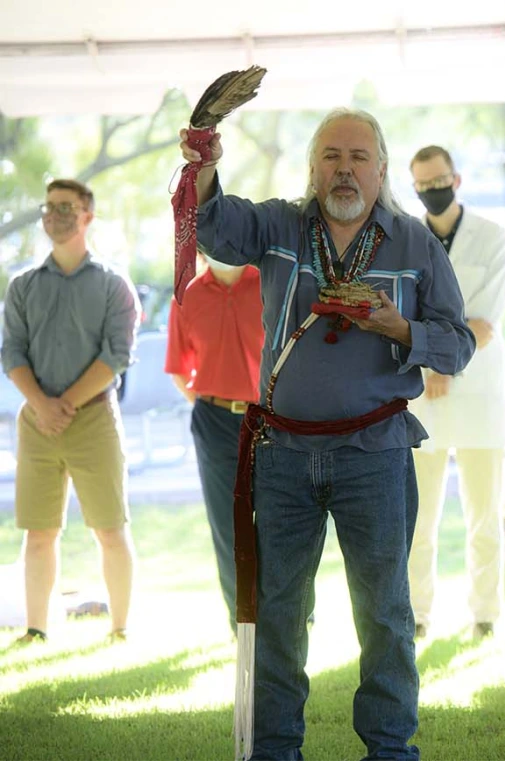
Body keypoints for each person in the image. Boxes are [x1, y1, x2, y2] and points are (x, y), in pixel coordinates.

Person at [180, 108, 475, 760]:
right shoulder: (280, 223)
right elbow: (215, 231)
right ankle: (275, 749)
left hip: (374, 452)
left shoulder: (413, 242)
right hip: (282, 453)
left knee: (387, 617)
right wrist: (203, 171)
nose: (345, 168)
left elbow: (457, 345)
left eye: (359, 157)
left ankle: (390, 750)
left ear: (382, 169)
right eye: (332, 156)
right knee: (279, 615)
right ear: (313, 168)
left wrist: (400, 328)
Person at [1, 179, 140, 644]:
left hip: (95, 421)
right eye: (49, 207)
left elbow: (117, 355)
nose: (55, 215)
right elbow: (12, 353)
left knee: (109, 529)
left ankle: (119, 629)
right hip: (36, 424)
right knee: (39, 533)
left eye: (67, 207)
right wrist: (42, 405)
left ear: (87, 216)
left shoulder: (113, 285)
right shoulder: (22, 286)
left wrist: (66, 406)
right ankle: (36, 630)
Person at [406, 145, 505, 641]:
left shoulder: (493, 239)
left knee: (483, 515)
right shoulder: (405, 239)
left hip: (478, 394)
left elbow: (486, 321)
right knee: (417, 519)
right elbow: (400, 314)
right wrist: (429, 364)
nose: (433, 191)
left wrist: (443, 364)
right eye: (423, 185)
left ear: (457, 178)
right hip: (420, 394)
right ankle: (417, 613)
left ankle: (485, 613)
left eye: (439, 180)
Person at [164, 252, 263, 635]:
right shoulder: (186, 294)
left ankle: (293, 615)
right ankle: (242, 624)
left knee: (279, 519)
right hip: (214, 419)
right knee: (228, 525)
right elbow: (179, 368)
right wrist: (219, 404)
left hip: (271, 417)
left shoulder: (267, 282)